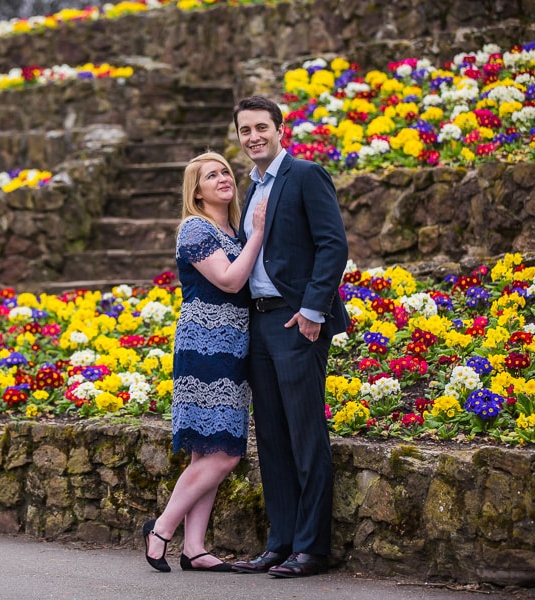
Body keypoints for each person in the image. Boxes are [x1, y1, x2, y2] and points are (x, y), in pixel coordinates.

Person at [229, 96, 349, 578]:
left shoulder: (304, 175)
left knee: (305, 436)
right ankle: (279, 543)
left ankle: (312, 548)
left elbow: (332, 244)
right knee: (273, 439)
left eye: (261, 127)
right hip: (258, 323)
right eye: (244, 130)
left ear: (281, 129)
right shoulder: (250, 189)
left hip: (297, 322)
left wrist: (312, 310)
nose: (253, 136)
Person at [142, 151, 267, 573]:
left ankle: (194, 548)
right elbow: (231, 280)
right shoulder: (195, 228)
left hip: (233, 344)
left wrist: (250, 233)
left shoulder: (231, 228)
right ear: (196, 191)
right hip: (205, 344)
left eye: (226, 172)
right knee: (226, 453)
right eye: (211, 175)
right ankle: (161, 530)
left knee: (209, 450)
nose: (223, 179)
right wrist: (260, 234)